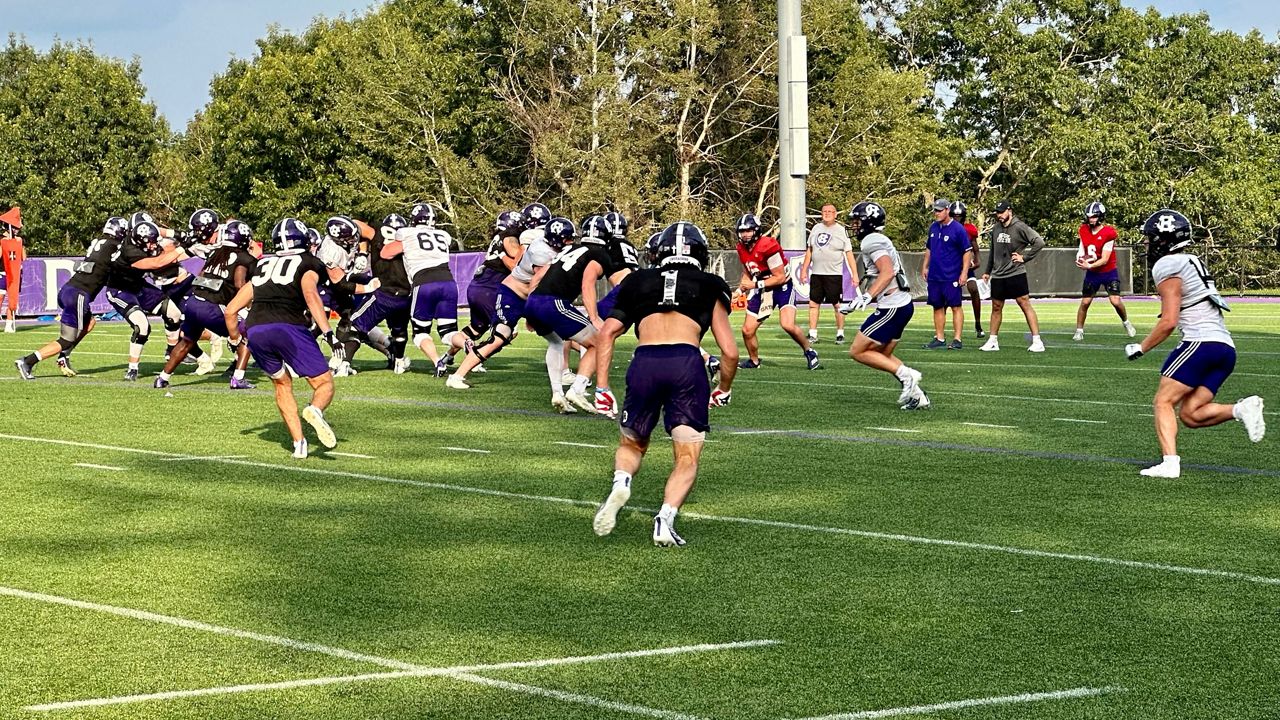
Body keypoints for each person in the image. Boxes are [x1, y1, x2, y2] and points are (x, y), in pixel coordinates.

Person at [591, 221, 739, 547]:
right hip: (686, 364)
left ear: (658, 252)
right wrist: (724, 388)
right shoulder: (710, 283)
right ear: (700, 252)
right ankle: (665, 519)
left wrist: (601, 386)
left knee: (632, 444)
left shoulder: (637, 279)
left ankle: (621, 482)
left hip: (644, 363)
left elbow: (607, 333)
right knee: (686, 456)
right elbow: (729, 351)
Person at [1124, 209, 1264, 477]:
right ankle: (1241, 408)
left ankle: (1170, 463)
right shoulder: (1191, 260)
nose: (1146, 243)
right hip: (1225, 349)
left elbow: (1169, 321)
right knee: (1190, 414)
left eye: (1150, 238)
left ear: (1163, 239)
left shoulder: (1167, 265)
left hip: (1200, 343)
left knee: (1163, 402)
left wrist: (1141, 347)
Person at [224, 218, 344, 459]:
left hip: (256, 329)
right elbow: (310, 294)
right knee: (323, 383)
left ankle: (299, 444)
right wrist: (329, 333)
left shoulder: (262, 263)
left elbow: (231, 310)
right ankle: (315, 410)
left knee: (282, 383)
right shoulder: (309, 262)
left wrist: (237, 339)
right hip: (288, 327)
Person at [14, 217, 157, 379]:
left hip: (69, 289)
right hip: (79, 294)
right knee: (67, 339)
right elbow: (129, 258)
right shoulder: (114, 246)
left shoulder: (100, 242)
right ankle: (27, 361)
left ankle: (64, 355)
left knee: (90, 323)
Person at [446, 215, 559, 391]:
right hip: (503, 292)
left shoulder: (516, 240)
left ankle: (448, 356)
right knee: (501, 336)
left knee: (560, 333)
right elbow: (519, 264)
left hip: (484, 286)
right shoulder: (519, 239)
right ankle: (460, 372)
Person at [838, 202, 929, 409]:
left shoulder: (871, 240)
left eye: (857, 221)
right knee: (883, 355)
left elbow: (886, 271)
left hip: (892, 306)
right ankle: (918, 396)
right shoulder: (878, 239)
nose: (854, 226)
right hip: (901, 305)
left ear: (868, 222)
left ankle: (909, 376)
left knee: (857, 351)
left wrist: (867, 297)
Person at [153, 220, 258, 390]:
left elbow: (202, 274)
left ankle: (162, 378)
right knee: (247, 335)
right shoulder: (245, 258)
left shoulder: (215, 252)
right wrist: (246, 308)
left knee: (186, 341)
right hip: (212, 307)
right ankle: (238, 378)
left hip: (194, 302)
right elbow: (240, 285)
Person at [524, 217, 610, 413]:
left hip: (534, 300)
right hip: (553, 303)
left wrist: (529, 309)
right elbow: (587, 285)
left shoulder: (567, 249)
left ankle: (557, 394)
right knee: (600, 342)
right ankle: (576, 390)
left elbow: (538, 276)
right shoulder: (599, 254)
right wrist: (594, 317)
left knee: (555, 343)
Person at [733, 213, 820, 370]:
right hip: (763, 288)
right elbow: (748, 270)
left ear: (756, 231)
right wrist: (740, 290)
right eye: (742, 231)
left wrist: (753, 286)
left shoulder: (767, 245)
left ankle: (810, 351)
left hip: (782, 287)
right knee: (747, 330)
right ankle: (754, 361)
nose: (745, 235)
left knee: (787, 324)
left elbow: (779, 277)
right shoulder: (741, 248)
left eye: (748, 231)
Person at [383, 203, 458, 377]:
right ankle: (467, 343)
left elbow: (386, 253)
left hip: (424, 283)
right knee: (449, 332)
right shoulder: (443, 235)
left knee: (420, 333)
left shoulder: (407, 232)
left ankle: (438, 363)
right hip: (448, 282)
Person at [979, 200, 1046, 352]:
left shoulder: (1020, 227)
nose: (999, 215)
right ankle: (993, 341)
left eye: (1002, 212)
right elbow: (993, 251)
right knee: (996, 307)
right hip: (998, 274)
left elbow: (1039, 242)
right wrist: (987, 271)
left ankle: (1037, 341)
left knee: (1024, 304)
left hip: (1016, 272)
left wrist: (1025, 257)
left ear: (1009, 210)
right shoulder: (996, 228)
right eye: (997, 212)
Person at [1073, 201, 1137, 341]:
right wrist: (1080, 258)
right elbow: (1082, 247)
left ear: (1100, 217)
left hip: (1108, 271)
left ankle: (1126, 322)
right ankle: (1079, 330)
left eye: (1094, 216)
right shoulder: (1083, 229)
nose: (1091, 219)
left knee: (1115, 301)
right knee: (1085, 302)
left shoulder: (1109, 233)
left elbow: (1105, 259)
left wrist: (1089, 266)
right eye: (1089, 217)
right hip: (1093, 273)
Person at [799, 203, 858, 345]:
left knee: (837, 304)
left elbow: (849, 254)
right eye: (824, 211)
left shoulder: (841, 231)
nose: (827, 213)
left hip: (834, 274)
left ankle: (840, 333)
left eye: (830, 211)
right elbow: (810, 251)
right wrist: (804, 270)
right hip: (817, 274)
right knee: (813, 304)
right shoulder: (815, 229)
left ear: (835, 214)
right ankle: (812, 334)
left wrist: (855, 274)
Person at [921, 198, 972, 350]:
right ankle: (940, 337)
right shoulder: (933, 228)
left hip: (951, 275)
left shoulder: (958, 229)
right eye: (935, 210)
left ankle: (957, 339)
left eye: (939, 210)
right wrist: (925, 267)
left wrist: (964, 273)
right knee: (937, 306)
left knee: (955, 306)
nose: (936, 213)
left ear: (947, 210)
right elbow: (929, 249)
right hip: (935, 275)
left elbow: (967, 252)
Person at [954, 201, 985, 338]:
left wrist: (977, 260)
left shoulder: (969, 229)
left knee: (973, 289)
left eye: (959, 216)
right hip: (952, 266)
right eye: (954, 215)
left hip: (966, 265)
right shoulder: (945, 228)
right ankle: (939, 330)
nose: (957, 218)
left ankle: (978, 324)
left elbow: (974, 246)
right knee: (948, 297)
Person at [1, 218, 25, 333]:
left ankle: (9, 324)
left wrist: (20, 245)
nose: (17, 230)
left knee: (13, 298)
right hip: (3, 272)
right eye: (15, 227)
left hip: (15, 272)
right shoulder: (1, 240)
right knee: (0, 298)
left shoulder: (18, 240)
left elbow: (23, 257)